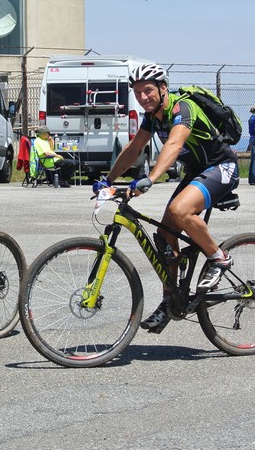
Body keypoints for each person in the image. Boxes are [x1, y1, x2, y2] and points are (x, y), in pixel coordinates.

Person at [93, 63, 239, 334]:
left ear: (163, 88)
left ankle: (219, 258)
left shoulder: (182, 108)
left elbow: (175, 144)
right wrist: (108, 180)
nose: (142, 97)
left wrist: (151, 178)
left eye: (147, 90)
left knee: (180, 210)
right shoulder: (152, 117)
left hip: (221, 167)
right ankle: (170, 302)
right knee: (164, 238)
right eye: (137, 92)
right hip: (197, 173)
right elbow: (134, 148)